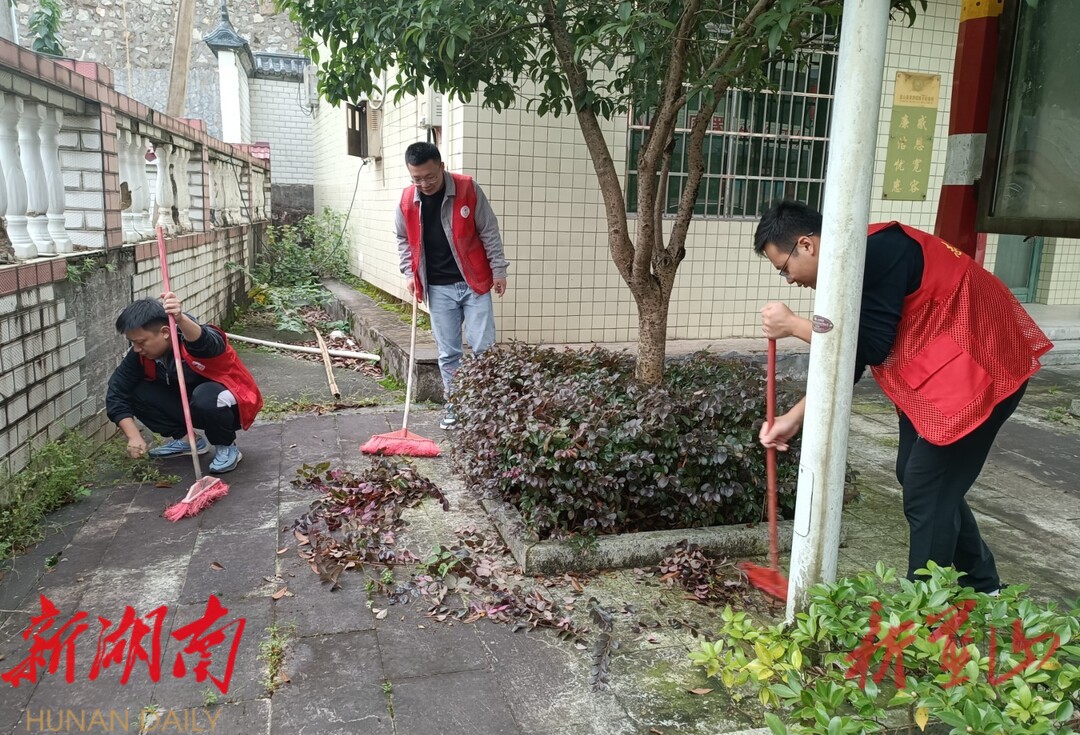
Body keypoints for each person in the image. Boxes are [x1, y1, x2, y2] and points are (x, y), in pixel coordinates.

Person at [752, 200, 1052, 594]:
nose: (789, 280)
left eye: (784, 268)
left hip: (985, 371)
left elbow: (869, 346)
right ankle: (983, 584)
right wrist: (793, 419)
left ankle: (923, 609)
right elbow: (853, 359)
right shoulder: (853, 263)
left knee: (927, 485)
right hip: (943, 375)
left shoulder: (878, 254)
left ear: (806, 245)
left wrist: (794, 325)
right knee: (917, 476)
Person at [395, 141, 509, 429]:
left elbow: (489, 230)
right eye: (417, 178)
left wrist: (498, 270)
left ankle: (485, 405)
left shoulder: (467, 188)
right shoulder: (407, 200)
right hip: (438, 288)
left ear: (442, 167)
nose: (424, 184)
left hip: (474, 282)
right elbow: (403, 239)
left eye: (430, 176)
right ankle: (455, 404)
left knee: (484, 348)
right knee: (449, 353)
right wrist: (409, 273)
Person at [107, 293, 263, 473]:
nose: (136, 349)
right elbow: (116, 391)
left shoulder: (196, 340)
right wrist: (133, 436)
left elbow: (206, 342)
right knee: (136, 390)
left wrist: (180, 318)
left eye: (141, 342)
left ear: (165, 332)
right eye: (133, 343)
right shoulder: (139, 355)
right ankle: (188, 440)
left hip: (231, 404)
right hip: (191, 406)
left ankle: (226, 446)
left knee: (206, 396)